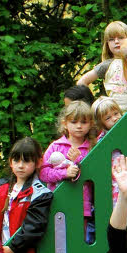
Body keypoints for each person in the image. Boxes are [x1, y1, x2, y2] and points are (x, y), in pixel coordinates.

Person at [41, 101, 96, 241]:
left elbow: (95, 172)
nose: (79, 126)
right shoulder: (56, 146)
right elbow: (43, 173)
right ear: (65, 123)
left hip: (83, 203)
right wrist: (64, 173)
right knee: (60, 238)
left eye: (84, 122)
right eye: (74, 122)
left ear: (90, 124)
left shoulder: (92, 147)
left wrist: (79, 160)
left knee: (79, 238)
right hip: (59, 200)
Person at [77, 20, 127, 110]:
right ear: (107, 44)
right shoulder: (106, 65)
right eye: (111, 39)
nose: (116, 41)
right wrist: (94, 105)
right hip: (116, 114)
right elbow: (82, 82)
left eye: (121, 37)